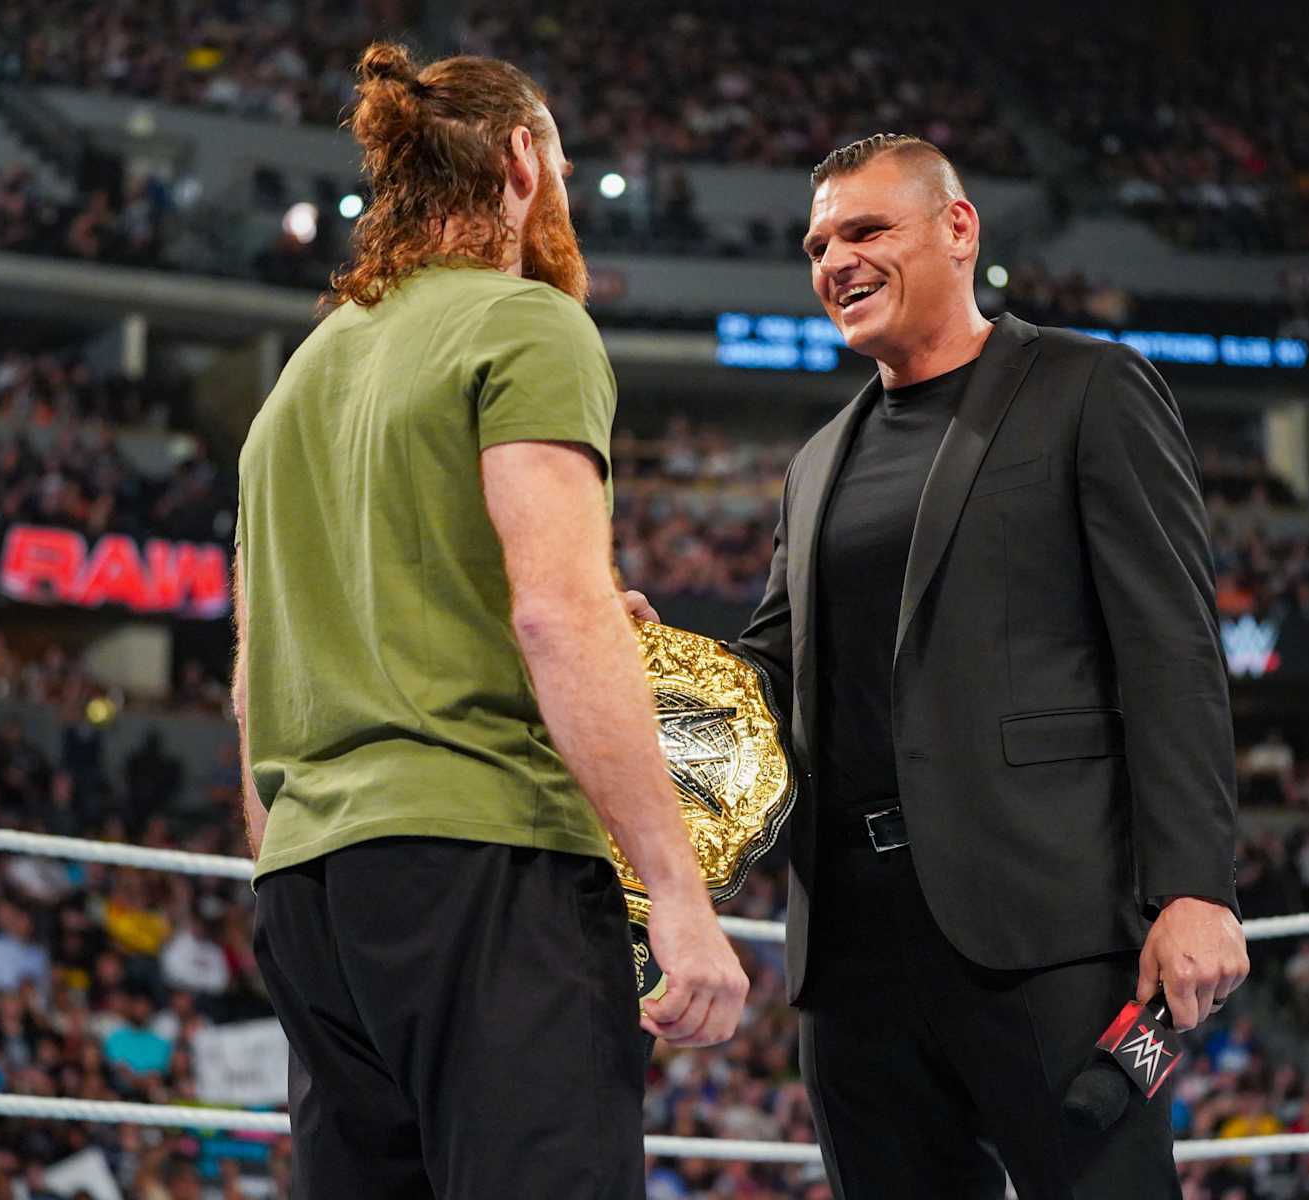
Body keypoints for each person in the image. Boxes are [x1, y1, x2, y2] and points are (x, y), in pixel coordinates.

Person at [233, 43, 747, 1198]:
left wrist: (288, 865)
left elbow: (257, 661)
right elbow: (558, 619)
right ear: (522, 160)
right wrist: (676, 891)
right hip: (486, 857)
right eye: (558, 162)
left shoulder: (301, 376)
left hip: (311, 891)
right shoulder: (528, 325)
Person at [732, 134, 1248, 1197]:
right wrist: (646, 656)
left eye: (867, 230)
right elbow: (773, 673)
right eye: (818, 243)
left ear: (958, 230)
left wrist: (1195, 887)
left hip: (1045, 935)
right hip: (854, 959)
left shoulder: (1088, 387)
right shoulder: (817, 460)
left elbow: (1172, 649)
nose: (835, 261)